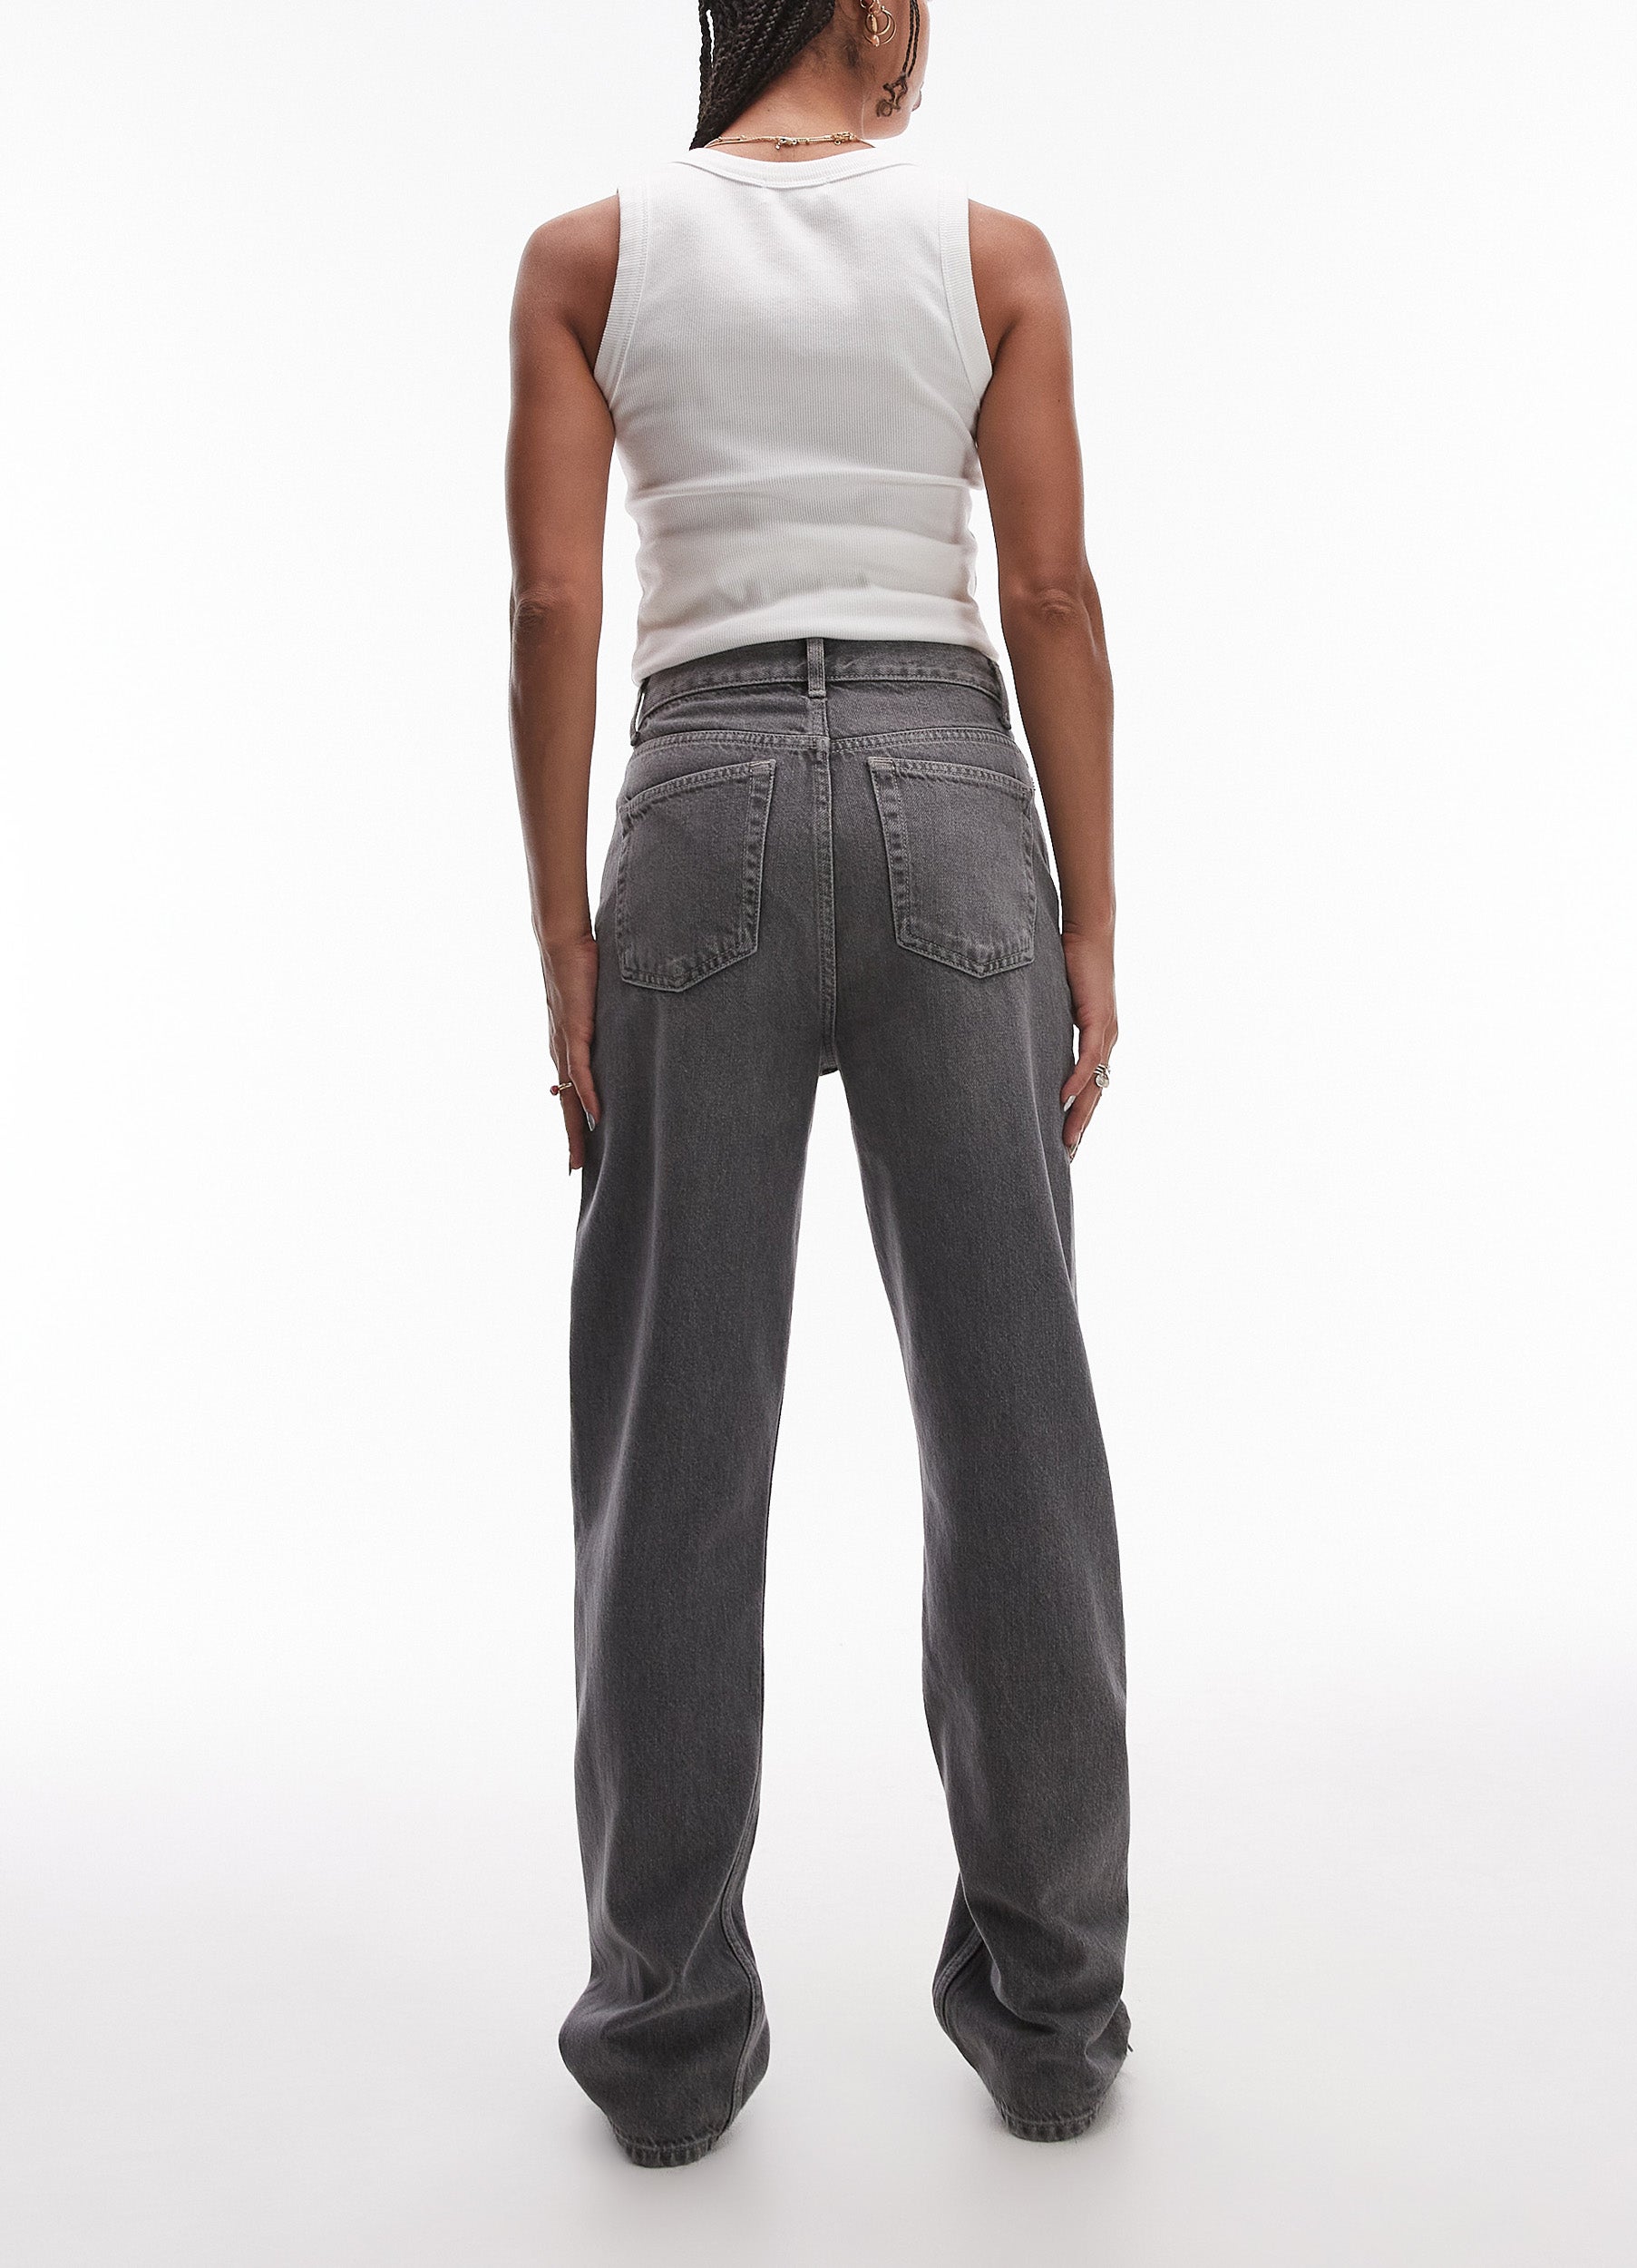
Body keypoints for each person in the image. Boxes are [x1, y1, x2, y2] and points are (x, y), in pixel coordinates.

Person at [505, 0, 1130, 2169]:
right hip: (955, 790)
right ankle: (1052, 2021)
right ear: (866, 9)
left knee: (672, 1439)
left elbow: (554, 599)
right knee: (1013, 1426)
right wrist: (1090, 917)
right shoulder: (993, 253)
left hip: (691, 810)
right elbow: (1046, 590)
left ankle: (665, 2042)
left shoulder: (590, 255)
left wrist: (563, 935)